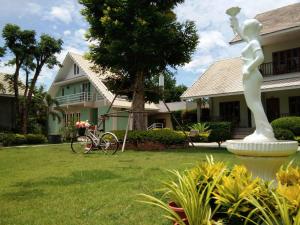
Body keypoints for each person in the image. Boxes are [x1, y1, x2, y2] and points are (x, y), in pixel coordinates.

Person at [230, 16, 276, 142]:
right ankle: (260, 130)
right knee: (253, 103)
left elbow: (260, 58)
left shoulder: (254, 42)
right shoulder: (251, 41)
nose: (242, 29)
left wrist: (248, 68)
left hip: (251, 74)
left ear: (249, 29)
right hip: (250, 75)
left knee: (254, 103)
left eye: (243, 26)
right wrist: (236, 24)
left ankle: (266, 131)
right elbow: (243, 36)